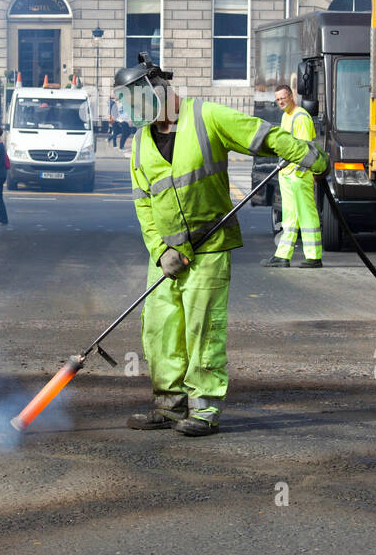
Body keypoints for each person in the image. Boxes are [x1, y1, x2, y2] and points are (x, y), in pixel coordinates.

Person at [114, 53, 328, 436]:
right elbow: (143, 202)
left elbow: (263, 135)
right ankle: (169, 405)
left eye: (134, 99)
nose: (130, 109)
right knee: (160, 328)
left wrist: (308, 155)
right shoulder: (141, 140)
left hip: (209, 246)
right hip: (165, 253)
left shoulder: (207, 116)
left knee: (202, 328)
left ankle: (205, 409)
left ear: (157, 90)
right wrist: (160, 251)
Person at [265, 85, 322, 269]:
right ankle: (283, 255)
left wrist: (297, 172)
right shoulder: (286, 116)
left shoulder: (301, 117)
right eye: (278, 99)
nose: (280, 102)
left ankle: (313, 257)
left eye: (283, 98)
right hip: (287, 174)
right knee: (289, 217)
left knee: (307, 215)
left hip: (298, 174)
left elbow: (304, 149)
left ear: (291, 96)